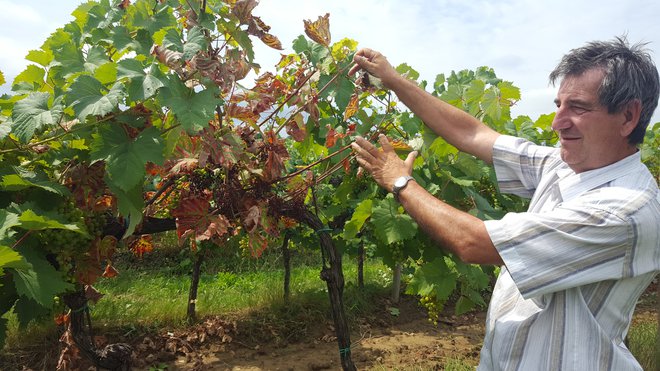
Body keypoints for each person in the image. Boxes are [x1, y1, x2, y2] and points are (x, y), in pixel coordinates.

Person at [349, 36, 660, 370]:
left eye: (579, 108)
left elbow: (473, 242)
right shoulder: (565, 165)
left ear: (628, 116)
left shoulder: (624, 211)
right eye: (559, 105)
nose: (557, 122)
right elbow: (474, 134)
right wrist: (394, 81)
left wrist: (400, 181)